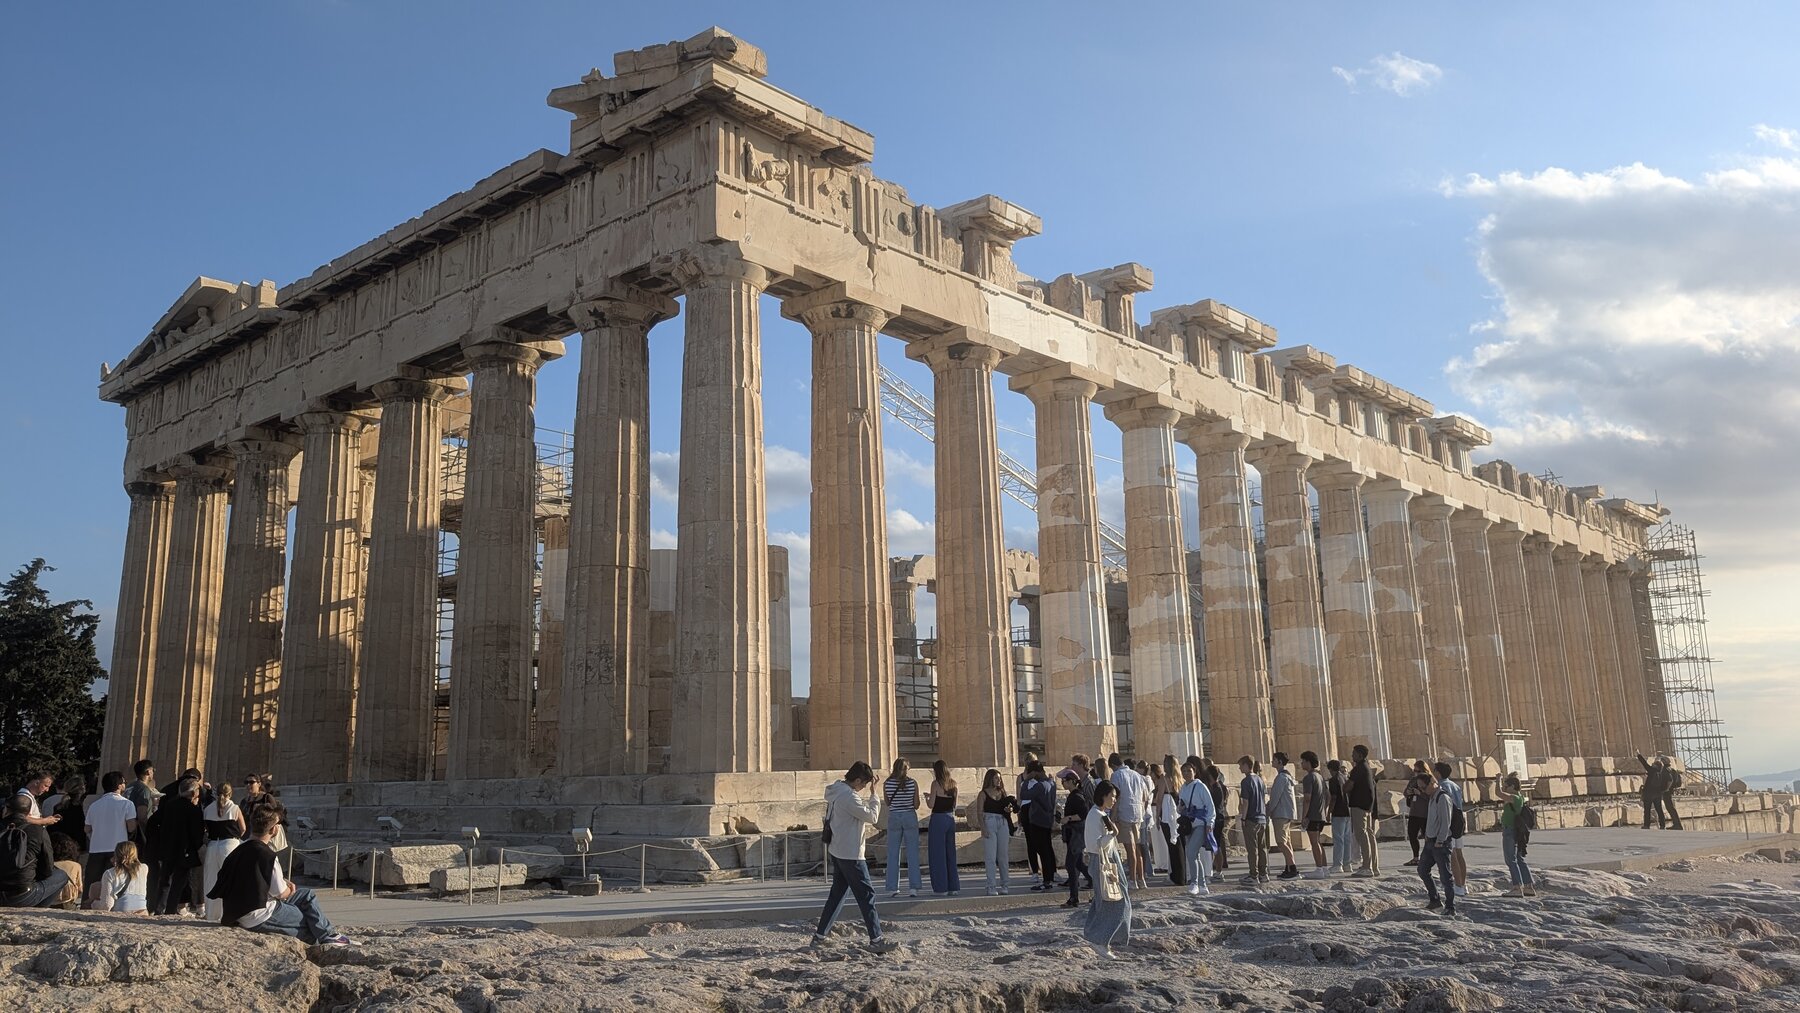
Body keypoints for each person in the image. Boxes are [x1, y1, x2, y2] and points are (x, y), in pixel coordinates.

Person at [209, 804, 352, 946]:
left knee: (307, 895)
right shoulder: (267, 855)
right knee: (307, 920)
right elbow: (281, 894)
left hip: (237, 912)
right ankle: (327, 938)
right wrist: (290, 888)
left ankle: (329, 936)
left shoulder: (238, 849)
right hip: (260, 914)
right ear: (274, 829)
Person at [809, 762, 896, 952]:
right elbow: (872, 817)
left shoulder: (836, 790)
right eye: (863, 784)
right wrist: (874, 795)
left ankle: (819, 936)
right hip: (851, 854)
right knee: (867, 895)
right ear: (857, 780)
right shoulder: (849, 797)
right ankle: (876, 940)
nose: (863, 787)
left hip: (837, 850)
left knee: (838, 894)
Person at [1082, 780, 1131, 958]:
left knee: (1107, 900)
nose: (1114, 800)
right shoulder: (1095, 815)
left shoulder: (1102, 814)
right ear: (1103, 796)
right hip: (1102, 861)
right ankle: (1101, 941)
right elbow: (1095, 845)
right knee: (1113, 901)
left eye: (1115, 797)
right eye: (1112, 796)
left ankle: (1100, 937)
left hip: (1110, 860)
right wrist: (1112, 834)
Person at [146, 777, 204, 916]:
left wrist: (158, 839)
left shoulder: (170, 804)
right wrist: (197, 847)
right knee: (179, 882)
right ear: (193, 793)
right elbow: (197, 833)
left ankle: (158, 909)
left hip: (167, 847)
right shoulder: (193, 810)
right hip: (184, 850)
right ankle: (171, 910)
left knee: (165, 880)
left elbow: (153, 822)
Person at [0, 793, 68, 907]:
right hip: (21, 894)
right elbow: (47, 869)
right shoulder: (38, 831)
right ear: (28, 813)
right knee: (61, 875)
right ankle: (36, 911)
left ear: (6, 810)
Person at [85, 771, 138, 891]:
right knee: (114, 885)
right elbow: (131, 827)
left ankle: (87, 904)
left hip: (96, 848)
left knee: (92, 884)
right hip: (117, 849)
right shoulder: (127, 804)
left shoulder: (94, 805)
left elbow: (87, 828)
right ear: (119, 785)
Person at [202, 781, 245, 921]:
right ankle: (231, 913)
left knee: (211, 880)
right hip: (230, 844)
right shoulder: (234, 808)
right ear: (230, 793)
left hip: (213, 845)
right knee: (231, 879)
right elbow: (243, 829)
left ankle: (211, 914)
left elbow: (206, 829)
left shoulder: (208, 809)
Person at [972, 767, 1019, 895]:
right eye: (996, 778)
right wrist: (983, 828)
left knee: (1003, 855)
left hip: (1002, 822)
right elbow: (979, 812)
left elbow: (1005, 807)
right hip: (989, 822)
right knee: (990, 857)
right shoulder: (983, 794)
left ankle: (1005, 884)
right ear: (990, 779)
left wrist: (1008, 810)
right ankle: (991, 885)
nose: (999, 780)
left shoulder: (1002, 792)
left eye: (999, 778)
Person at [1417, 769, 1457, 916]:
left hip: (1441, 842)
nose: (1422, 790)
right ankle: (1434, 899)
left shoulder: (1442, 797)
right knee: (1422, 869)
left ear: (1433, 783)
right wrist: (1427, 835)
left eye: (1424, 787)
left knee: (1445, 876)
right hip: (1430, 841)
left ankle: (1450, 906)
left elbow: (1446, 821)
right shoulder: (1432, 797)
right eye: (1420, 787)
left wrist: (1440, 840)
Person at [882, 758, 922, 898]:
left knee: (893, 853)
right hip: (909, 815)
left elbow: (887, 802)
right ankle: (914, 888)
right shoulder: (912, 783)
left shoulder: (887, 783)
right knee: (912, 853)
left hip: (894, 816)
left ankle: (893, 887)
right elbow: (916, 804)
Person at [1107, 753, 1149, 889]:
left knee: (1130, 849)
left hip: (1124, 813)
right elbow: (1144, 796)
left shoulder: (1116, 776)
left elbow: (1115, 798)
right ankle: (1141, 878)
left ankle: (1132, 879)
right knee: (1136, 848)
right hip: (1137, 813)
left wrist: (1112, 816)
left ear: (1113, 765)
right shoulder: (1136, 775)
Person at [124, 760, 161, 908]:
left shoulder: (129, 787)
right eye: (152, 770)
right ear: (147, 772)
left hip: (127, 832)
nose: (153, 773)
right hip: (140, 834)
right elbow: (142, 815)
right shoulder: (144, 789)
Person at [1176, 760, 1216, 896]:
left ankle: (1194, 883)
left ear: (1194, 772)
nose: (1186, 773)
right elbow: (1181, 806)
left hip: (1200, 823)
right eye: (1184, 771)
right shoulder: (1183, 788)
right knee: (1195, 855)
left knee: (1191, 852)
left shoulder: (1200, 787)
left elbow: (1210, 806)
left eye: (1189, 770)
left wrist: (1210, 823)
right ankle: (1202, 885)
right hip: (1188, 823)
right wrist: (1179, 809)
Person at [1019, 761, 1059, 891]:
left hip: (1037, 820)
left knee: (1041, 850)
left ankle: (1046, 880)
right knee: (1046, 849)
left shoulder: (1039, 786)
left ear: (1034, 772)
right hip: (1047, 819)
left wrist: (1026, 781)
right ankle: (1049, 877)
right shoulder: (1051, 783)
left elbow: (1024, 795)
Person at [1431, 761, 1469, 896]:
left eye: (1434, 770)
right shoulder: (1455, 785)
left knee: (1452, 856)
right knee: (1459, 854)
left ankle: (1458, 886)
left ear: (1438, 772)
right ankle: (1463, 884)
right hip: (1459, 821)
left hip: (1450, 822)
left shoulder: (1442, 786)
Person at [1058, 769, 1093, 908]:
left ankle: (1074, 898)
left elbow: (1084, 813)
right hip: (1074, 833)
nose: (1063, 783)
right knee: (1078, 863)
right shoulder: (1074, 795)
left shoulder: (1077, 796)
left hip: (1076, 834)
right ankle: (1092, 881)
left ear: (1072, 781)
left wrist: (1068, 818)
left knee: (1070, 865)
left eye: (1064, 781)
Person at [925, 760, 961, 896]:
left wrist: (928, 798)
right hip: (950, 818)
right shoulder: (954, 784)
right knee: (950, 853)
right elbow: (954, 805)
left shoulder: (935, 784)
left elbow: (931, 804)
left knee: (937, 854)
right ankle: (953, 886)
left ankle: (941, 887)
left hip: (938, 819)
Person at [1498, 774, 1536, 898]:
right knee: (1519, 859)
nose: (1505, 788)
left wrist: (1497, 779)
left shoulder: (1514, 797)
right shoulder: (1519, 797)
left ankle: (1516, 887)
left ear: (1513, 786)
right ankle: (1528, 886)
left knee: (1510, 859)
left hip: (1510, 830)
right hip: (1516, 830)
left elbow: (1498, 793)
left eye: (1506, 786)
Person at [1236, 755, 1269, 886]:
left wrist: (1243, 818)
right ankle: (1264, 873)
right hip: (1262, 817)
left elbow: (1246, 802)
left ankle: (1253, 874)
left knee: (1252, 849)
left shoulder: (1246, 781)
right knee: (1262, 848)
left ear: (1246, 765)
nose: (1239, 768)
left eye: (1240, 765)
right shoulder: (1260, 780)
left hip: (1251, 818)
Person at [1348, 744, 1380, 877]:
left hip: (1359, 806)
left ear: (1360, 755)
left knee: (1362, 835)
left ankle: (1367, 867)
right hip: (1368, 806)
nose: (1352, 756)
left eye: (1354, 753)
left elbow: (1348, 787)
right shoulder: (1367, 768)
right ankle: (1373, 866)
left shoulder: (1358, 769)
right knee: (1369, 834)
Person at [1267, 752, 1299, 880]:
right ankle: (1289, 867)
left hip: (1281, 812)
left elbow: (1275, 797)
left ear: (1280, 761)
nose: (1272, 762)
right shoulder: (1286, 776)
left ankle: (1293, 869)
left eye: (1274, 760)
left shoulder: (1281, 778)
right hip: (1286, 812)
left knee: (1281, 842)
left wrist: (1268, 810)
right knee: (1287, 842)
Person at [93, 841, 149, 913]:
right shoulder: (144, 868)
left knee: (93, 889)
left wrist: (94, 904)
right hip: (142, 911)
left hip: (122, 911)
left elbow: (107, 905)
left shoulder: (109, 873)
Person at [1299, 751, 1328, 874]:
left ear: (1308, 762)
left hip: (1313, 815)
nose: (1301, 763)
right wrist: (1324, 810)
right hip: (1321, 813)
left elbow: (1307, 799)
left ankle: (1319, 868)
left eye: (1303, 761)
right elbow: (1328, 795)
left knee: (1314, 842)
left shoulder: (1308, 778)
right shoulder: (1320, 777)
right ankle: (1324, 868)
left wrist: (1304, 816)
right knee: (1318, 842)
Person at [1204, 761, 1231, 881]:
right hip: (1217, 818)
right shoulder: (1217, 787)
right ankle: (1216, 870)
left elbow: (1214, 806)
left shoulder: (1217, 788)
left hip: (1217, 819)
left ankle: (1219, 872)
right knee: (1214, 846)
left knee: (1216, 846)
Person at [1326, 759, 1354, 874]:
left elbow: (1334, 797)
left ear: (1330, 769)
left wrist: (1328, 812)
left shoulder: (1333, 780)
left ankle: (1338, 864)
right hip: (1347, 810)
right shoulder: (1344, 777)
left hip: (1338, 811)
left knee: (1338, 839)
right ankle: (1347, 863)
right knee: (1347, 839)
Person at [1403, 760, 1432, 866]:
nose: (1416, 773)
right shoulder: (1413, 780)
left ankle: (1429, 856)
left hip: (1425, 812)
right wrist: (1409, 792)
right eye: (1414, 770)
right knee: (1412, 834)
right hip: (1414, 811)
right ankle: (1416, 857)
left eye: (1418, 771)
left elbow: (1430, 797)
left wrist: (1420, 793)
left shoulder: (1429, 780)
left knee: (1427, 835)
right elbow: (1405, 792)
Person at [51, 777, 88, 854]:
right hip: (79, 848)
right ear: (82, 789)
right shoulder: (84, 808)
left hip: (62, 846)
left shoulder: (60, 807)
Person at [51, 833, 84, 907]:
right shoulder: (76, 866)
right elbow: (80, 889)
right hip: (67, 903)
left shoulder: (48, 865)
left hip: (50, 901)